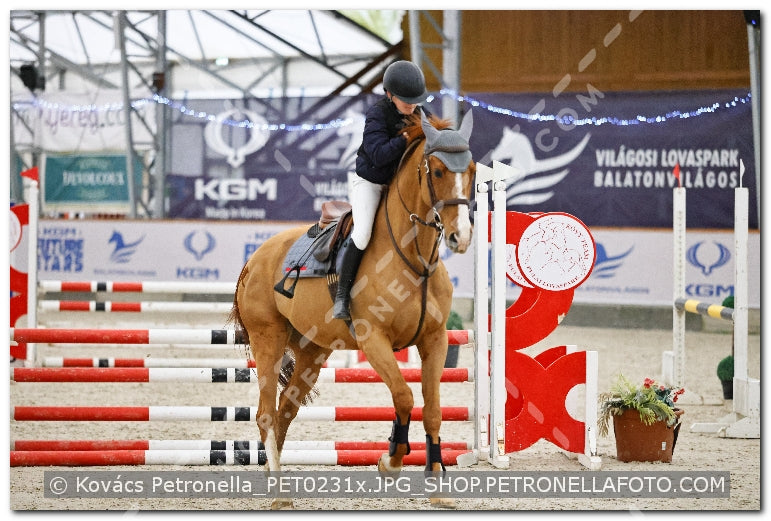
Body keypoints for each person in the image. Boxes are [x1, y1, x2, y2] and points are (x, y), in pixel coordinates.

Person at [332, 60, 430, 320]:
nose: (411, 105)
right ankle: (342, 296)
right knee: (363, 233)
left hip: (401, 186)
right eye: (405, 100)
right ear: (389, 94)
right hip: (372, 182)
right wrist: (404, 139)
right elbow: (377, 155)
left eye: (415, 100)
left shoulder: (421, 113)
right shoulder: (377, 114)